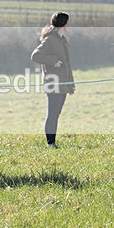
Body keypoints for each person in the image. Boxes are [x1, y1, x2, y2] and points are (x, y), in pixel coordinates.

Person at [30, 12, 75, 148]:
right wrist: (53, 61)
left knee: (56, 114)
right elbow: (36, 56)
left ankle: (52, 142)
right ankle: (50, 144)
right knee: (52, 114)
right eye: (68, 23)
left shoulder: (62, 40)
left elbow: (67, 63)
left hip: (62, 83)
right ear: (63, 24)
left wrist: (70, 83)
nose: (69, 26)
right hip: (53, 83)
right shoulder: (50, 40)